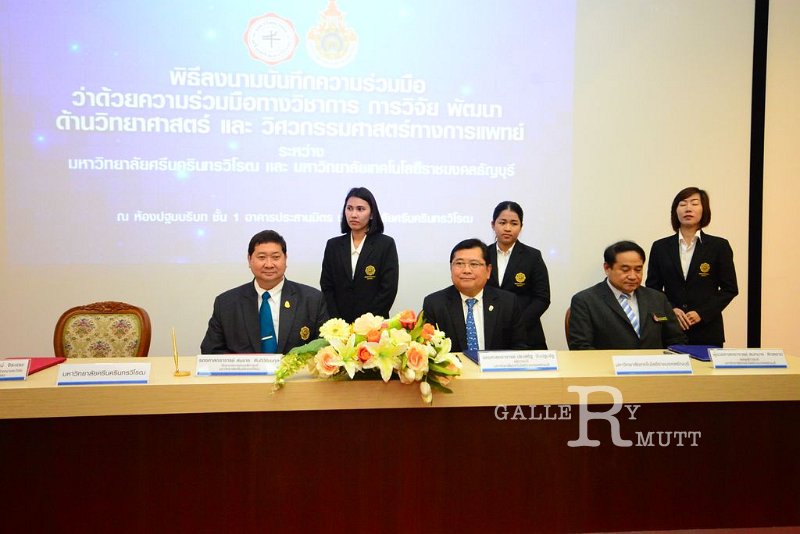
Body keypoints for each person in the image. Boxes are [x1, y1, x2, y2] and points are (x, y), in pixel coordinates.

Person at [201, 230, 329, 354]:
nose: (269, 264)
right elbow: (211, 350)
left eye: (275, 257)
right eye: (261, 257)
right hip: (244, 370)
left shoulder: (312, 299)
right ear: (249, 260)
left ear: (285, 259)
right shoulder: (226, 303)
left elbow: (325, 347)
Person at [646, 187, 738, 346]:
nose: (688, 208)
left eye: (694, 203)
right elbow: (652, 288)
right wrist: (670, 309)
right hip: (670, 329)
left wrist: (702, 313)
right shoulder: (660, 247)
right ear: (675, 211)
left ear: (704, 210)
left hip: (707, 329)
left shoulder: (719, 246)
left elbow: (729, 289)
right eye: (682, 204)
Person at [568, 240, 686, 350]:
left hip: (654, 364)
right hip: (608, 365)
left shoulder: (657, 298)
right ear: (607, 268)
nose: (633, 276)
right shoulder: (585, 301)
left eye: (638, 269)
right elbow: (580, 347)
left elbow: (676, 339)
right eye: (625, 270)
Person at [422, 238, 528, 353]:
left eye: (474, 264)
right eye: (459, 263)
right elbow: (429, 351)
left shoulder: (508, 302)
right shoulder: (434, 304)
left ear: (488, 271)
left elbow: (519, 349)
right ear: (451, 268)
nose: (466, 270)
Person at [320, 187, 399, 322]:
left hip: (373, 325)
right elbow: (327, 286)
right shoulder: (333, 245)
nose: (354, 214)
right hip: (339, 325)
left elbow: (388, 290)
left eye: (360, 209)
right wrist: (338, 321)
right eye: (349, 208)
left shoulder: (385, 244)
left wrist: (367, 323)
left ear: (372, 214)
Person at [487, 201, 550, 349]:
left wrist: (518, 324)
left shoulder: (533, 256)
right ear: (493, 225)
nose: (507, 228)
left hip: (527, 333)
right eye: (502, 222)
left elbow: (542, 298)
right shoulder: (482, 255)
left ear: (521, 227)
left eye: (514, 223)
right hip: (489, 332)